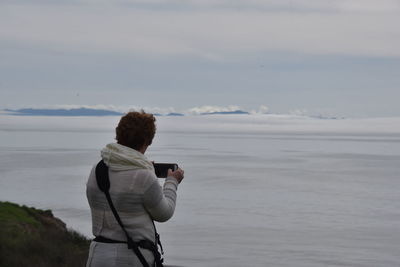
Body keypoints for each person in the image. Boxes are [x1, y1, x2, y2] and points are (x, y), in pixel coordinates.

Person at [86, 111, 184, 267]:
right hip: (132, 258)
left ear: (119, 135)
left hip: (98, 255)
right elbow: (164, 213)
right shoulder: (144, 176)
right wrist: (172, 182)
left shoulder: (98, 169)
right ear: (146, 141)